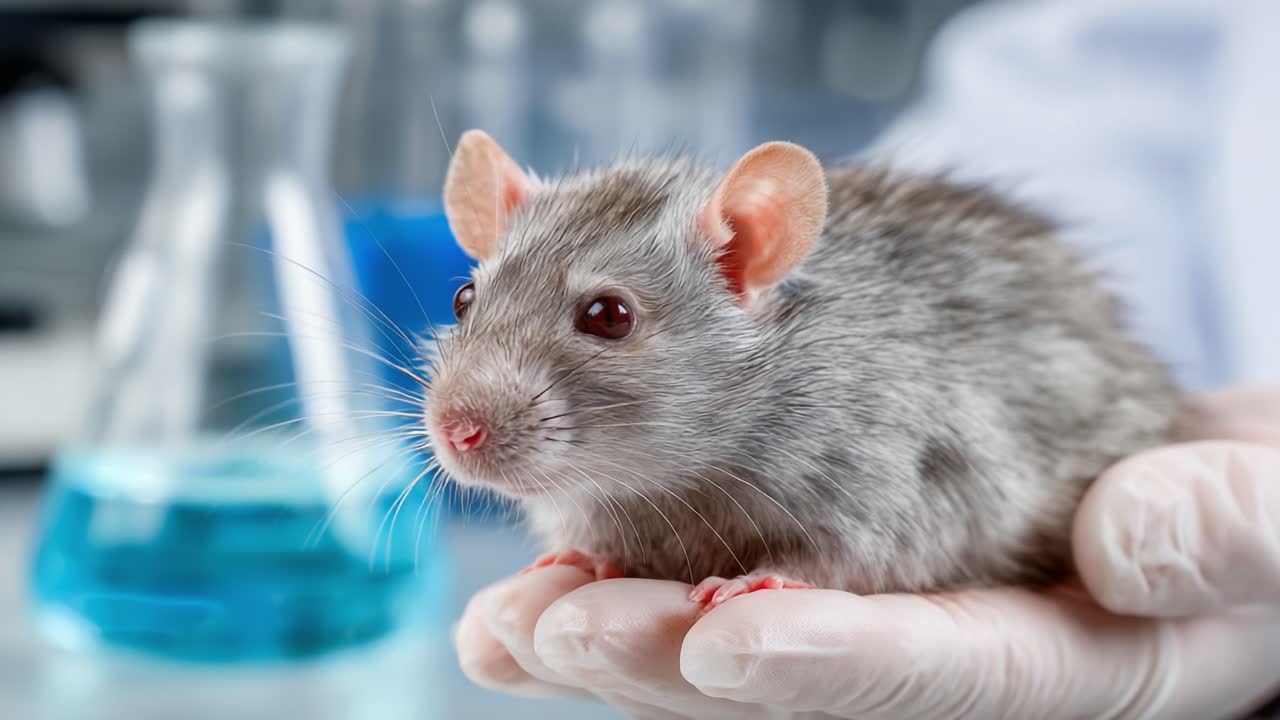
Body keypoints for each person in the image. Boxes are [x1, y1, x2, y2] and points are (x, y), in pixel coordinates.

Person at [453, 1, 1280, 717]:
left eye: (605, 317)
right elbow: (1084, 90)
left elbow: (911, 511)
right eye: (468, 305)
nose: (467, 415)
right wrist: (593, 539)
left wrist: (807, 568)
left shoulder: (837, 388)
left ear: (745, 261)